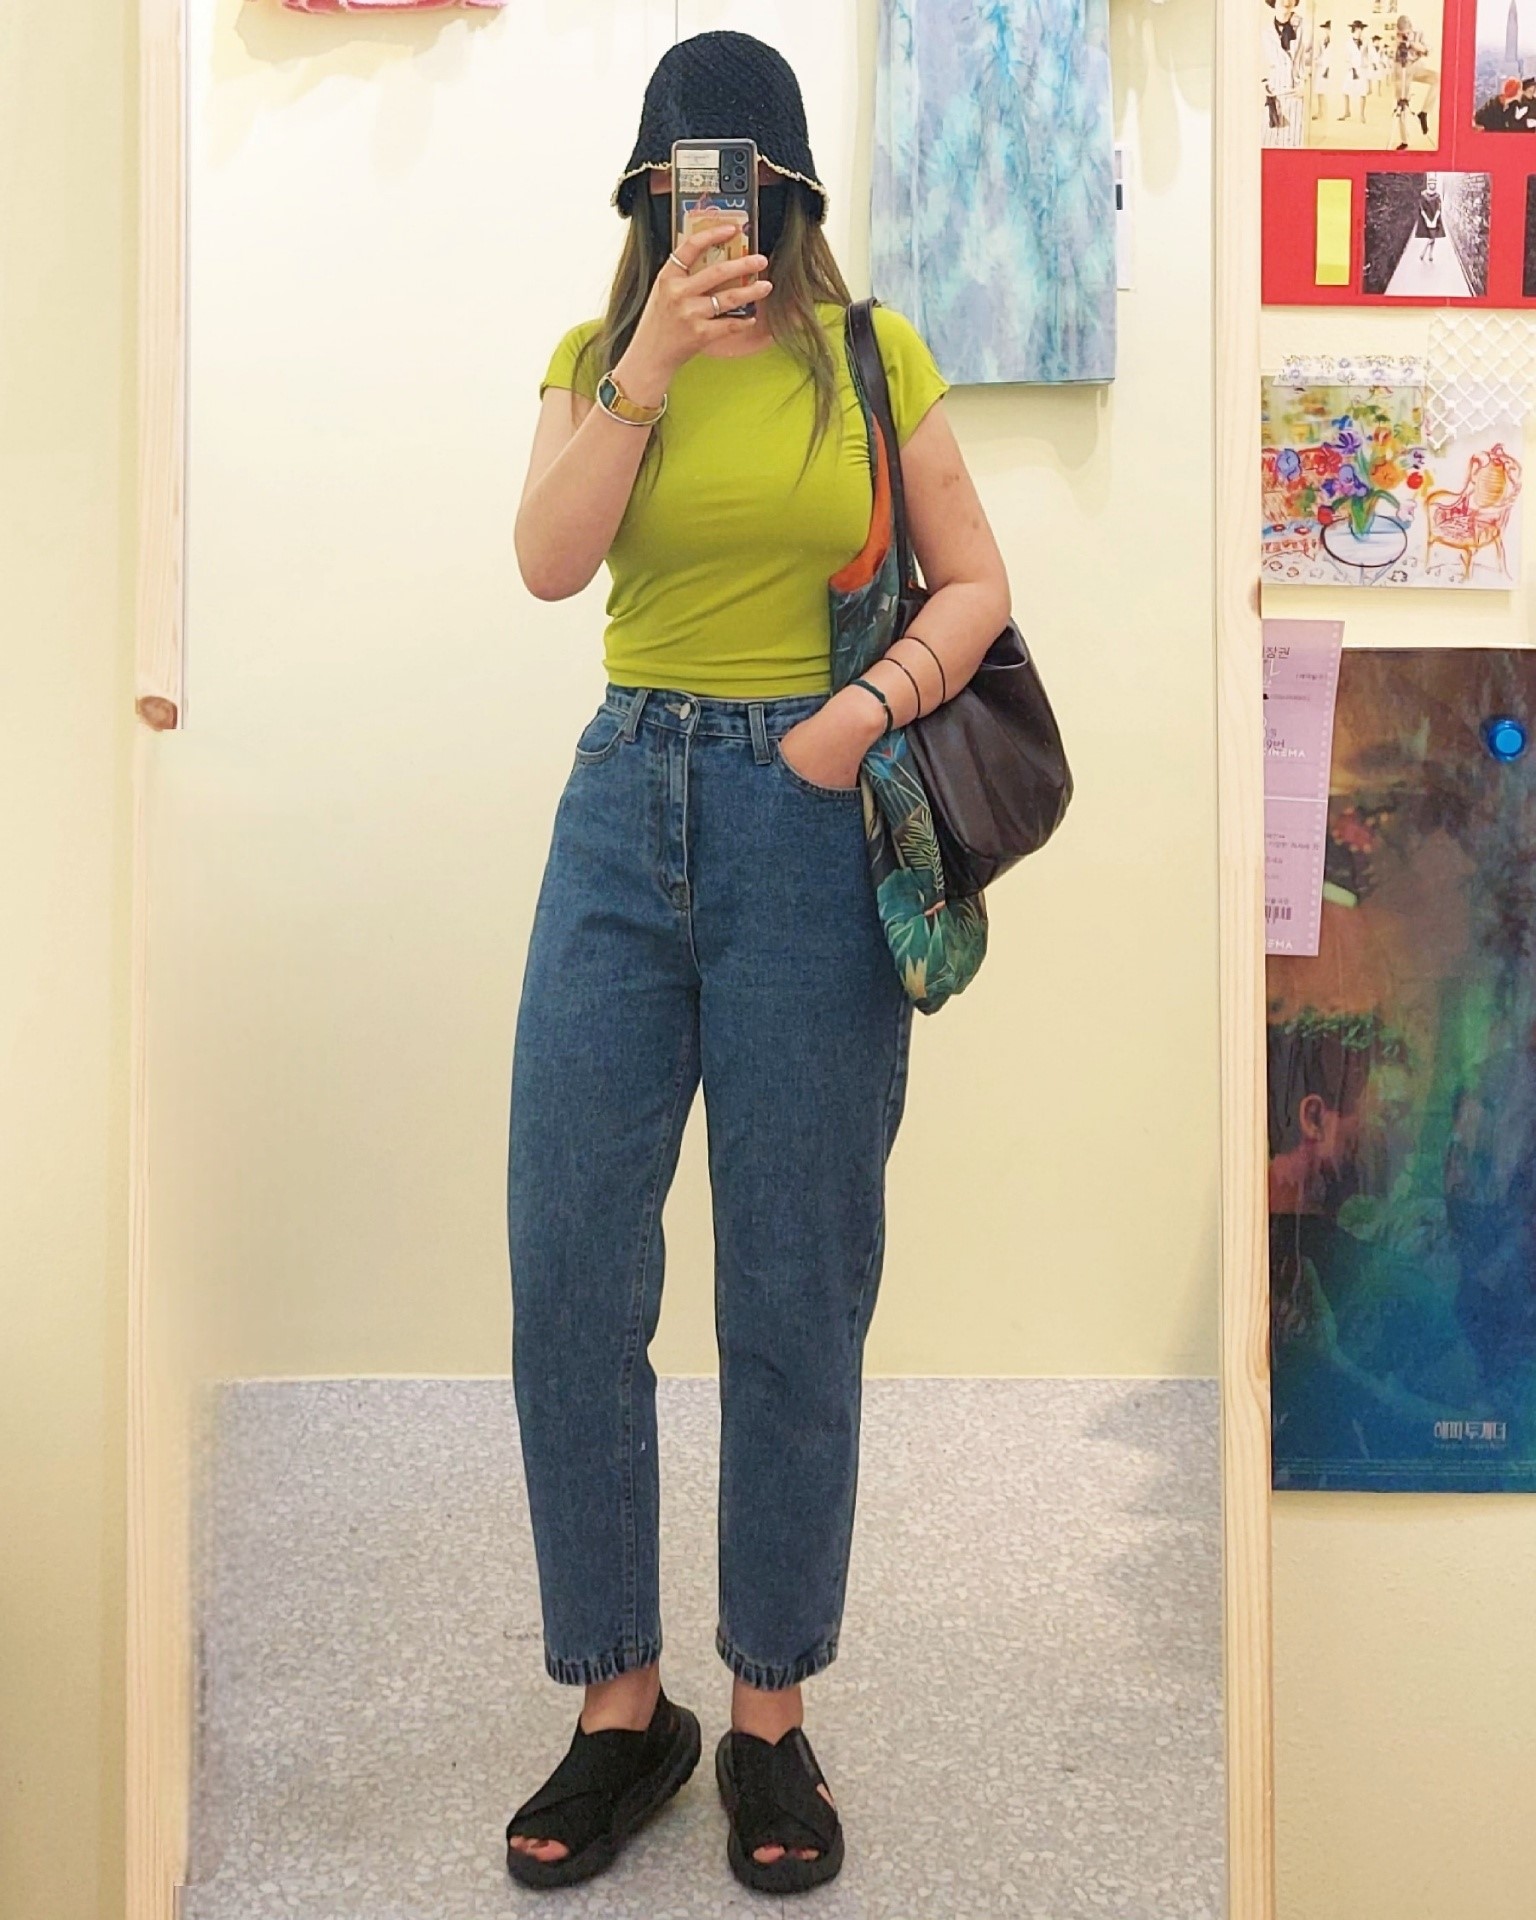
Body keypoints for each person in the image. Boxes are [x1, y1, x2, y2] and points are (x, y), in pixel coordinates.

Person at [500, 28, 1011, 1899]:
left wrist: (859, 713)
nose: (714, 211)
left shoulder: (871, 356)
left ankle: (770, 1717)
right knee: (571, 1262)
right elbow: (548, 563)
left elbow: (978, 581)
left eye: (743, 181)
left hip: (810, 815)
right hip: (622, 804)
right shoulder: (593, 358)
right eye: (679, 183)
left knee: (794, 1282)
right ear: (646, 195)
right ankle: (621, 1708)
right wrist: (641, 368)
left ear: (791, 193)